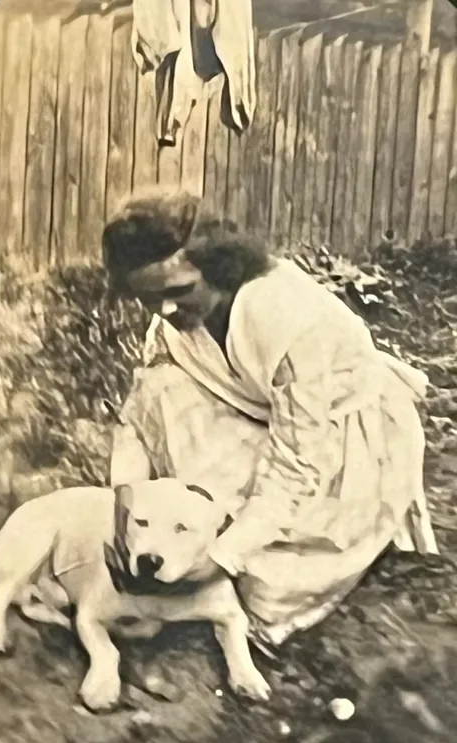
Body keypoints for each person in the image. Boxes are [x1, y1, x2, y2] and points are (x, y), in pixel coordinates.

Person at [102, 187, 439, 647]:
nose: (164, 311)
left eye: (179, 292)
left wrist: (224, 557)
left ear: (219, 268)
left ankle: (351, 541)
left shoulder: (288, 321)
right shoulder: (171, 326)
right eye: (148, 298)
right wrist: (122, 506)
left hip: (342, 441)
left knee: (263, 583)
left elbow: (297, 463)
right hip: (259, 411)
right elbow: (137, 420)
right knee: (162, 387)